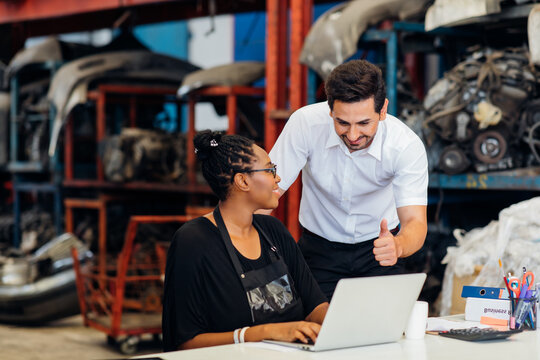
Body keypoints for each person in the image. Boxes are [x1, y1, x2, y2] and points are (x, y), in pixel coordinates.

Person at [268, 59, 428, 300]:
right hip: (318, 250)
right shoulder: (306, 124)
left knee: (386, 332)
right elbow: (266, 193)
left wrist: (398, 246)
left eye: (364, 123)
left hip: (379, 250)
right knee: (313, 332)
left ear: (383, 109)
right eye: (342, 122)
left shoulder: (405, 145)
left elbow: (415, 222)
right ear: (330, 109)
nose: (353, 135)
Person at [162, 130, 329, 351]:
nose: (278, 178)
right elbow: (185, 342)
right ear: (242, 180)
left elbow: (315, 304)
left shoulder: (274, 230)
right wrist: (262, 333)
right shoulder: (193, 242)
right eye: (270, 170)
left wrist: (339, 326)